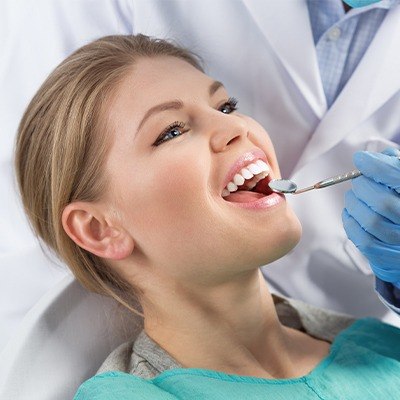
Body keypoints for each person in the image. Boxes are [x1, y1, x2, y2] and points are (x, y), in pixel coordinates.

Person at [14, 34, 400, 400]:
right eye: (172, 131)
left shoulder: (377, 345)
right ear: (99, 229)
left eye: (226, 106)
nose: (236, 127)